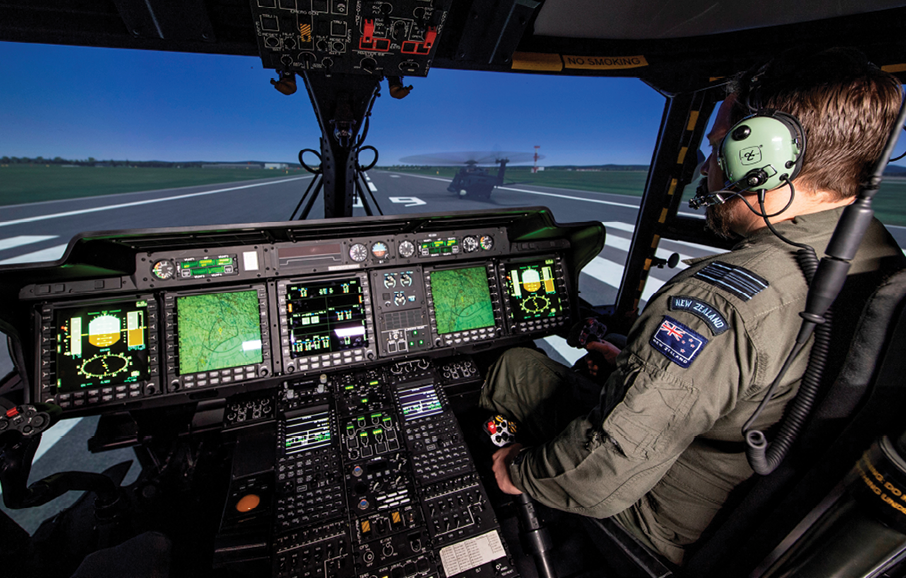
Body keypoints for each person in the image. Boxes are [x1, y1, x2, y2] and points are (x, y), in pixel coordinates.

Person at [480, 47, 906, 565]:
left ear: (763, 156)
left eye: (717, 146)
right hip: (762, 509)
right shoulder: (879, 253)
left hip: (662, 521)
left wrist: (517, 467)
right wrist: (643, 370)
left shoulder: (721, 298)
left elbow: (600, 476)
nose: (707, 165)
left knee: (513, 365)